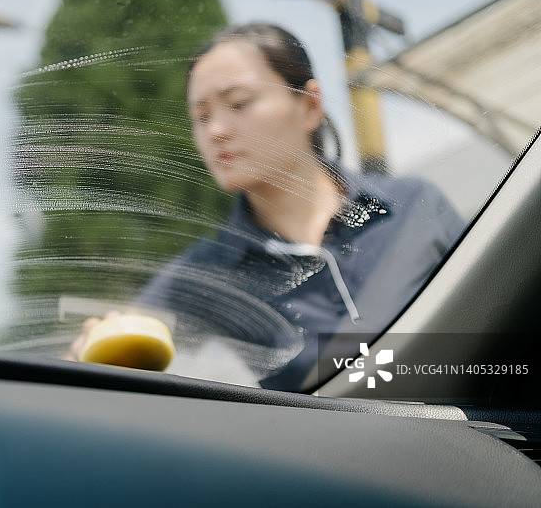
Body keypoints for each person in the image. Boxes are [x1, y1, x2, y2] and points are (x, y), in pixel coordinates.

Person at [75, 23, 465, 390]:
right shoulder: (206, 276)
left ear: (310, 105)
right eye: (201, 116)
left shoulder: (414, 207)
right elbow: (111, 350)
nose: (216, 131)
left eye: (239, 103)